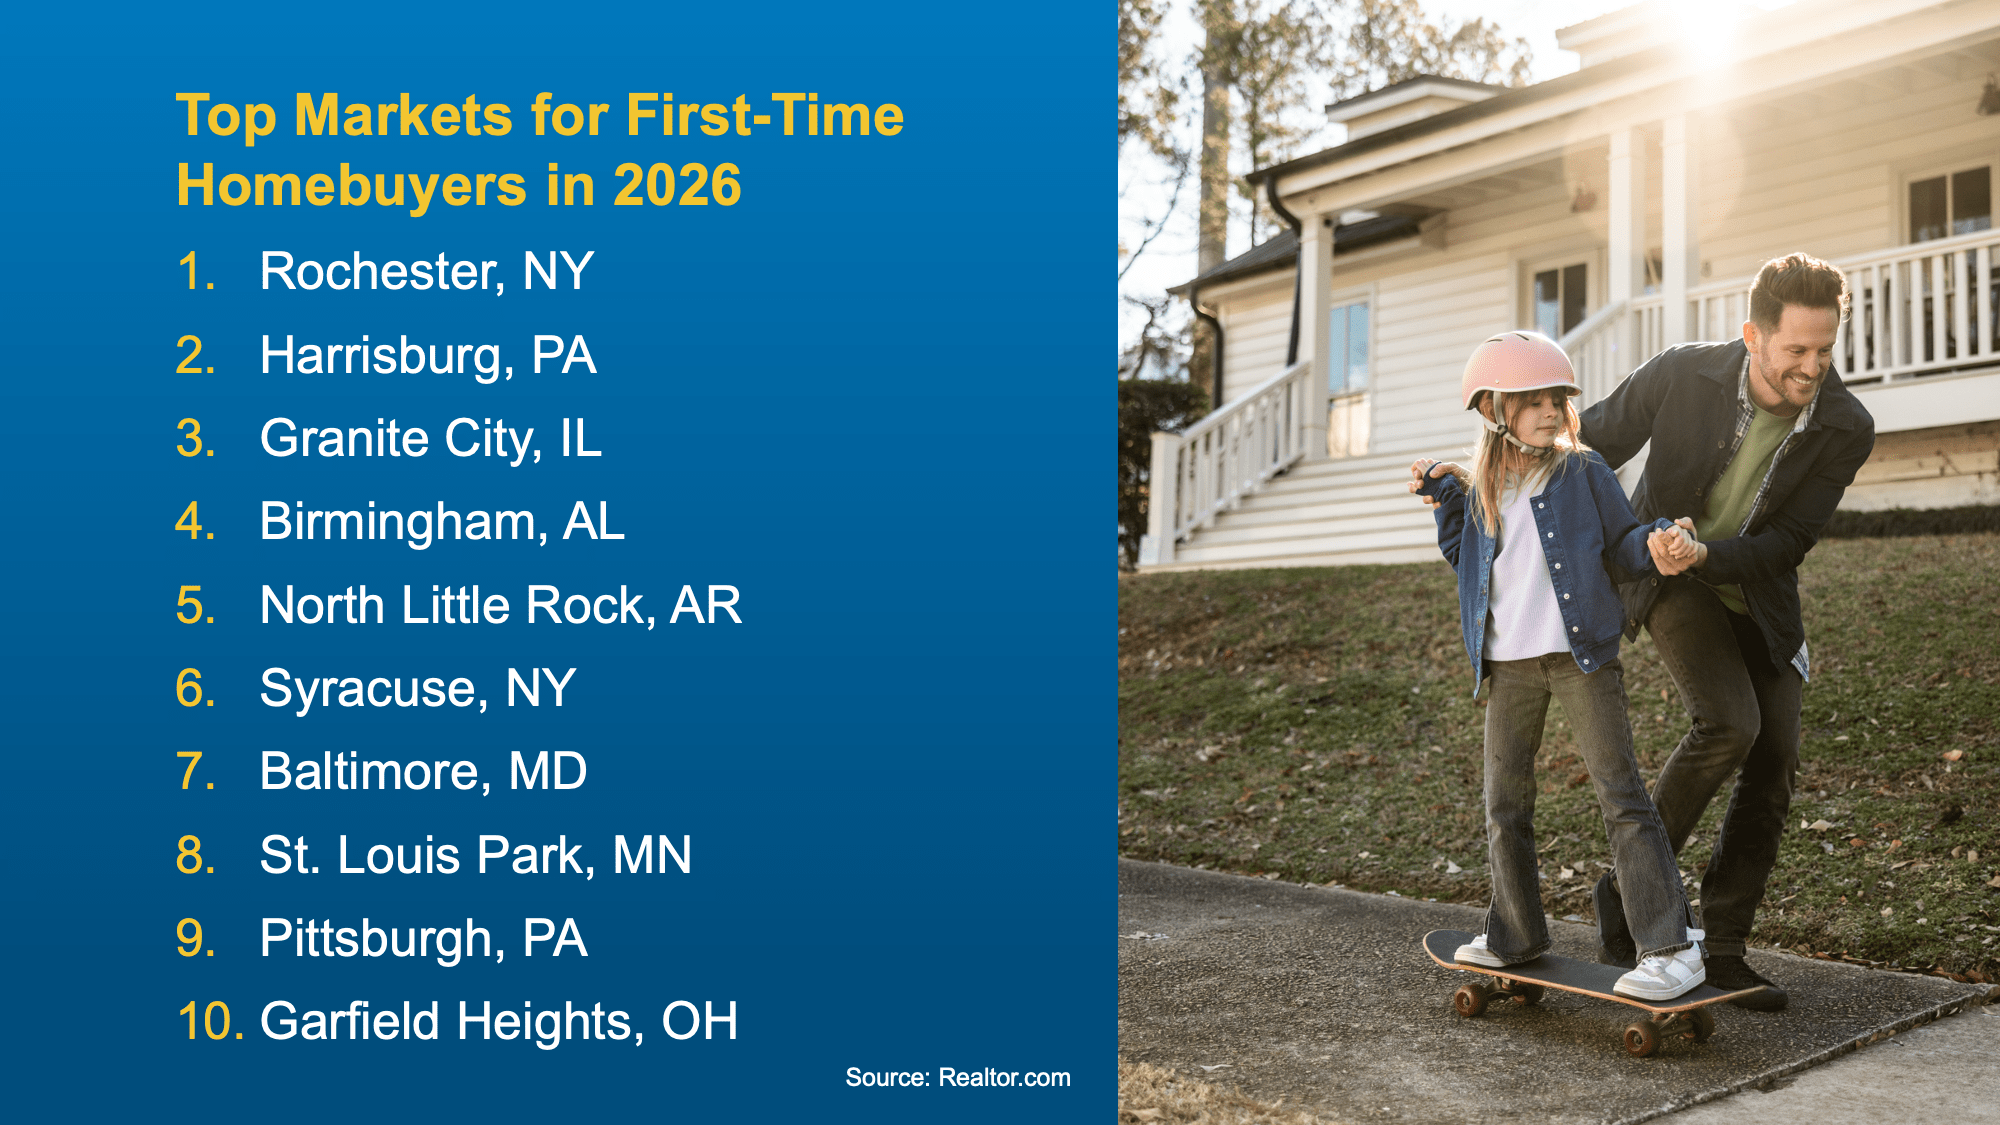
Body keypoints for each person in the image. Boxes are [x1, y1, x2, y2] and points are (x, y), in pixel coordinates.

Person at [1578, 253, 1876, 1010]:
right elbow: (1587, 445)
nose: (1812, 366)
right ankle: (1634, 891)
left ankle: (1726, 950)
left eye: (1824, 349)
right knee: (1729, 723)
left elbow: (1788, 543)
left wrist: (1709, 552)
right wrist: (1499, 473)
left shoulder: (1845, 425)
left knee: (1775, 755)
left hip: (1759, 592)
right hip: (1667, 575)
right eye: (1796, 349)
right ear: (1754, 335)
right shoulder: (1683, 373)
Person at [1408, 331, 1705, 1001]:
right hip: (1508, 666)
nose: (1550, 411)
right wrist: (1445, 498)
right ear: (1494, 409)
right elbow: (1469, 561)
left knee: (1621, 796)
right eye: (1533, 401)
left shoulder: (1584, 472)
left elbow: (1624, 543)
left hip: (1580, 659)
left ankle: (1671, 946)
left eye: (1556, 399)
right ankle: (1515, 934)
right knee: (1504, 805)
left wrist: (1659, 546)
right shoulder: (1484, 486)